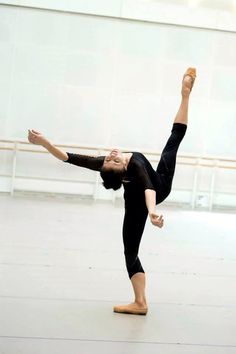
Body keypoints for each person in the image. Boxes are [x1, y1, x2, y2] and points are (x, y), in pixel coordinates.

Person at [28, 67, 196, 316]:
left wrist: (44, 143)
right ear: (121, 169)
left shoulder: (106, 164)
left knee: (172, 142)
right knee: (130, 250)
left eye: (109, 159)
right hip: (154, 191)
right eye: (113, 161)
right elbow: (148, 189)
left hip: (149, 192)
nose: (113, 156)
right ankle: (140, 302)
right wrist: (151, 213)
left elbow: (67, 157)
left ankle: (184, 96)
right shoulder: (134, 164)